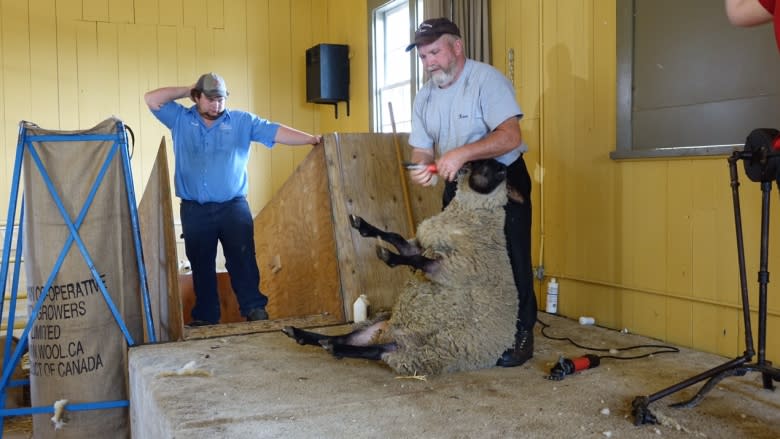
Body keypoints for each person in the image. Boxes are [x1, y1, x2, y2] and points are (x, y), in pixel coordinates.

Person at [404, 18, 537, 367]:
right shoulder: (425, 97)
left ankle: (522, 335)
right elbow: (421, 149)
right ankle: (470, 329)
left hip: (500, 179)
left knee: (512, 257)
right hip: (458, 183)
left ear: (457, 48)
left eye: (434, 52)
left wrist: (461, 152)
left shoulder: (487, 80)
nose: (428, 62)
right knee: (458, 259)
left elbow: (510, 137)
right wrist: (422, 165)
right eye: (422, 56)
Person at [145, 72, 322, 326]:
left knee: (242, 259)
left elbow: (275, 131)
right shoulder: (181, 119)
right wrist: (187, 89)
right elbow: (151, 99)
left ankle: (254, 310)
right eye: (211, 99)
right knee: (201, 263)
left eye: (221, 99)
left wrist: (310, 139)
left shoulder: (241, 121)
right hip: (195, 209)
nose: (217, 105)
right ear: (197, 97)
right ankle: (206, 317)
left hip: (233, 207)